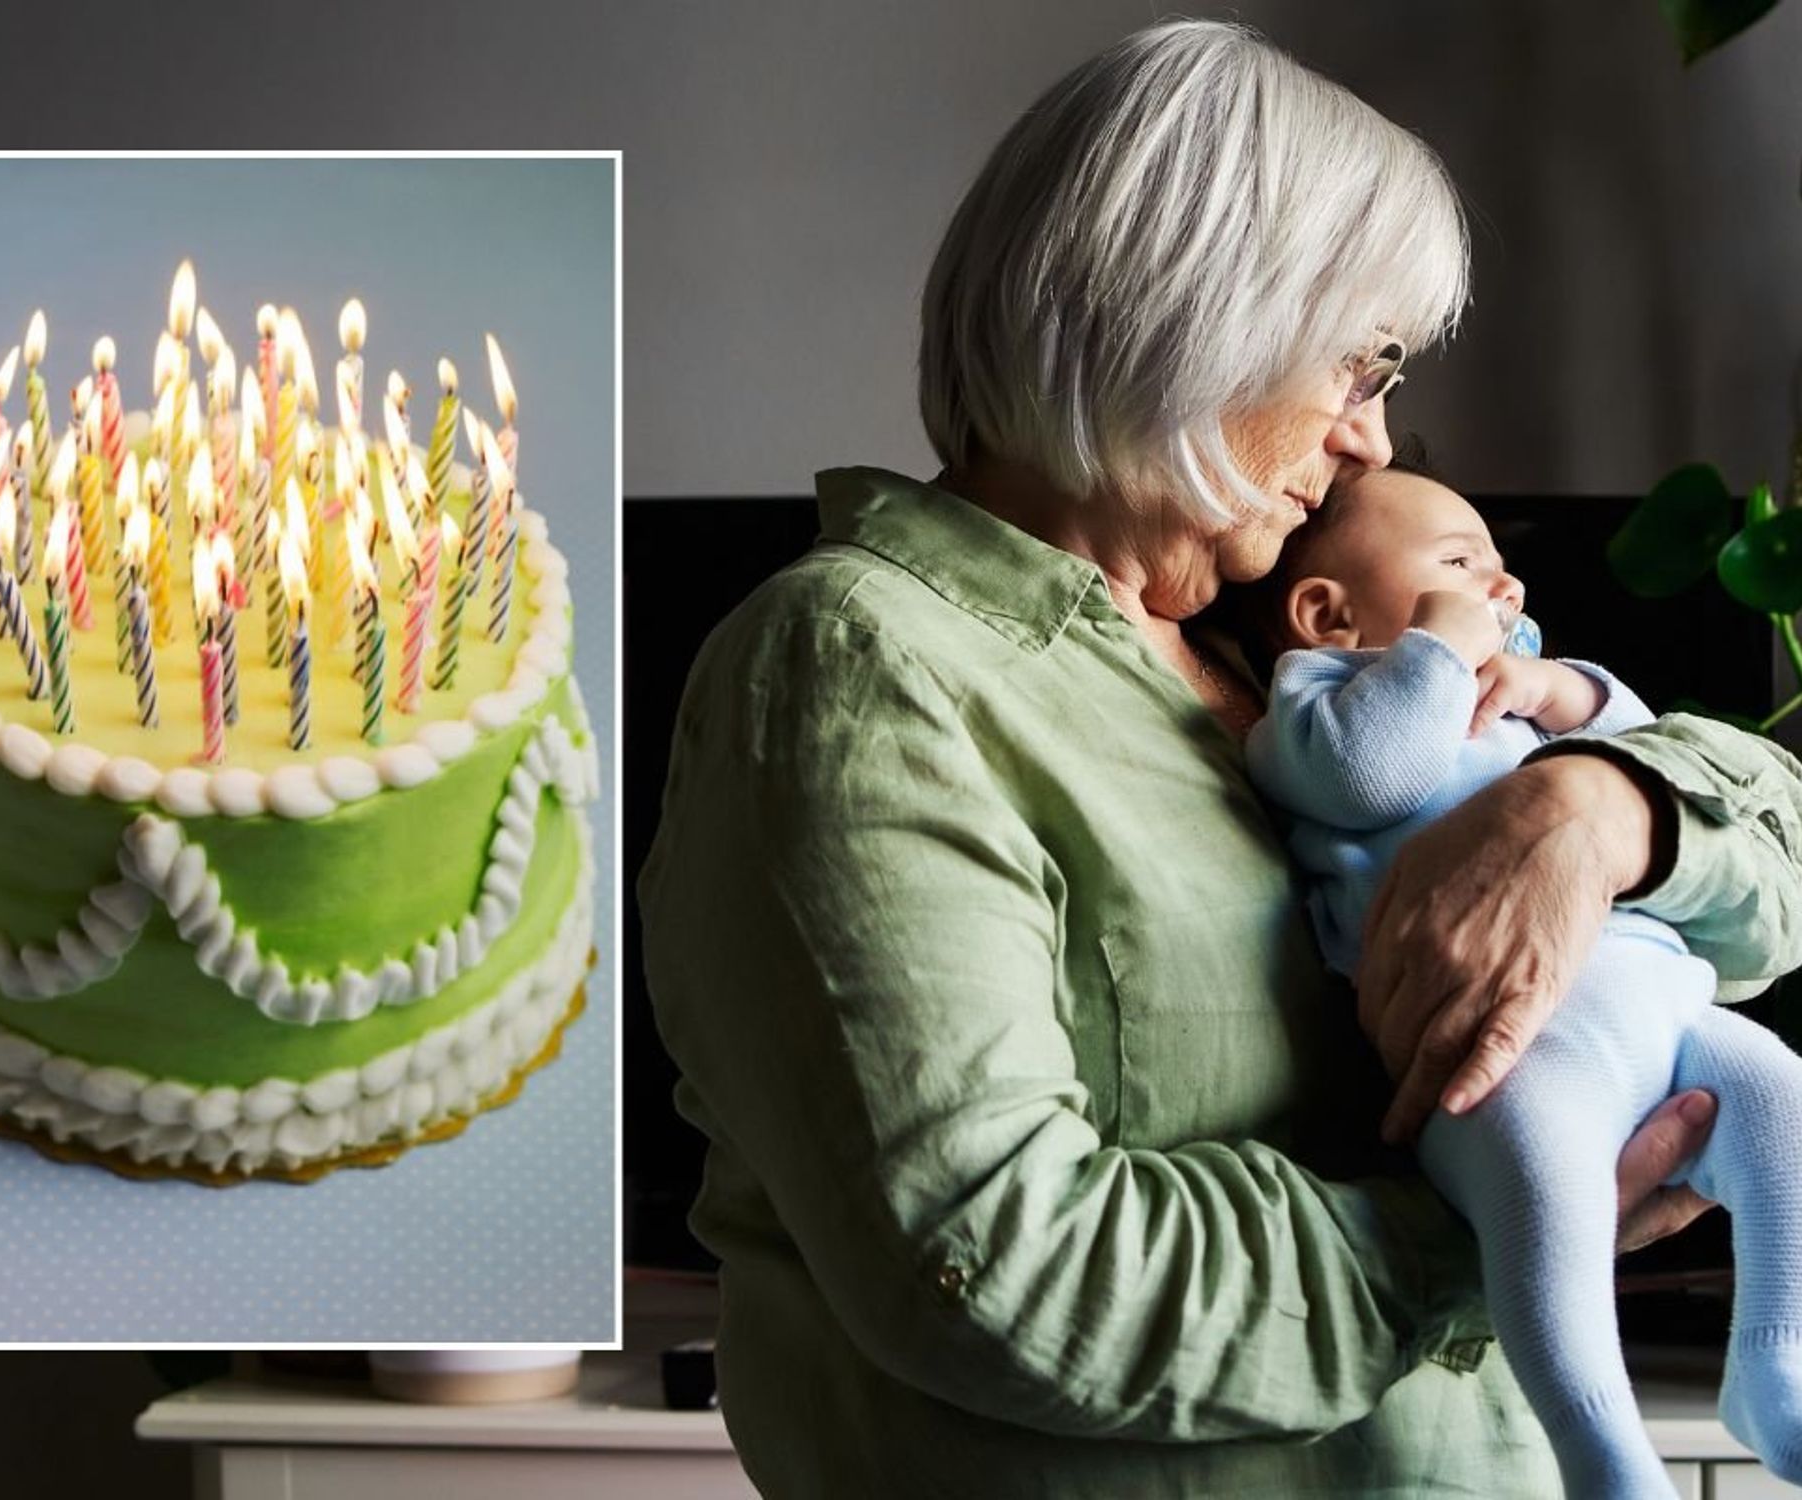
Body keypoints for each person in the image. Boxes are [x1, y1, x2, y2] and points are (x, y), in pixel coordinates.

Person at [638, 21, 1802, 1496]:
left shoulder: (1291, 648)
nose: (1372, 444)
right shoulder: (860, 669)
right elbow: (1002, 1268)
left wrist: (1599, 808)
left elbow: (1776, 868)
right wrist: (1497, 1231)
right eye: (1357, 368)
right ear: (1198, 319)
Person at [1242, 460, 1802, 1495]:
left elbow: (1648, 757)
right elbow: (1375, 777)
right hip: (1500, 1061)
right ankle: (1603, 1453)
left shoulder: (1513, 704)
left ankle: (1773, 1361)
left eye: (1501, 569)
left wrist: (1560, 692)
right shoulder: (1313, 705)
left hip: (1654, 1000)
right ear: (1326, 614)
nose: (1501, 587)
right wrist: (1437, 651)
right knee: (1550, 1210)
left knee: (1783, 1100)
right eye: (1459, 564)